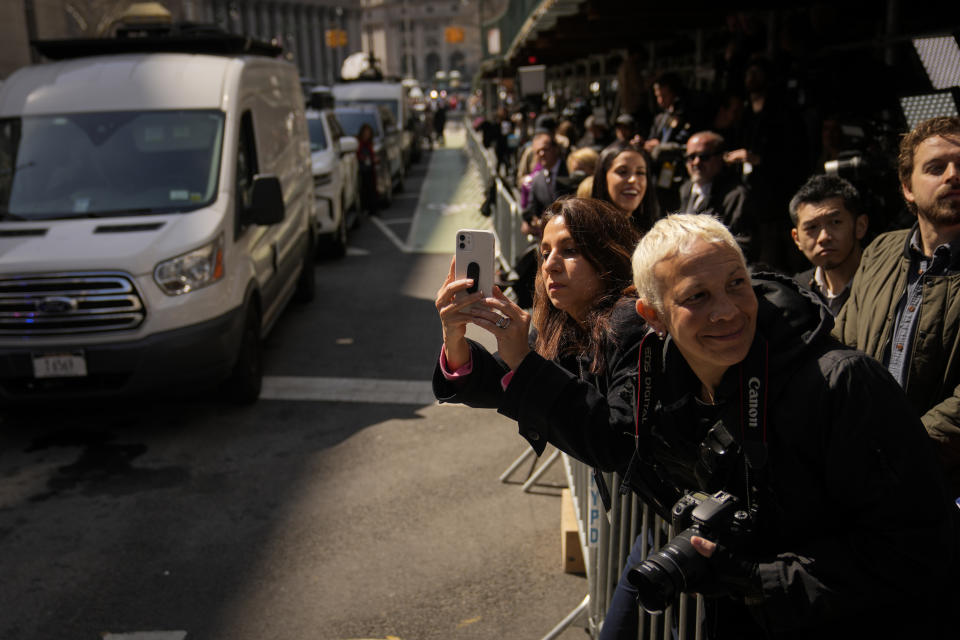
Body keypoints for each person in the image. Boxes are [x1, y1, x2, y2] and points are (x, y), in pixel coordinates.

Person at [600, 213, 955, 639]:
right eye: (697, 296)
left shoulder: (843, 385)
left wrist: (755, 580)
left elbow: (917, 548)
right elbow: (612, 444)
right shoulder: (669, 393)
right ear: (653, 316)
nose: (727, 312)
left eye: (736, 283)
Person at [433, 197, 643, 499]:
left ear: (608, 255)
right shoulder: (565, 325)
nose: (550, 264)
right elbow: (494, 382)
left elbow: (614, 441)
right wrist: (453, 335)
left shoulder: (630, 318)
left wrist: (522, 359)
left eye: (569, 251)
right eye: (544, 253)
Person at [834, 116, 960, 496]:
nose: (953, 175)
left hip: (942, 488)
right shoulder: (881, 250)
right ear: (907, 188)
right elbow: (843, 346)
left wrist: (900, 451)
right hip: (864, 477)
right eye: (936, 168)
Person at [789, 174, 868, 315]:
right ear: (797, 239)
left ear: (860, 226)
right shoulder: (796, 294)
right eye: (812, 227)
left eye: (835, 222)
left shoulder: (884, 282)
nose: (824, 237)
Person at [677, 131, 752, 256]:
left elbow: (744, 244)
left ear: (721, 158)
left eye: (704, 156)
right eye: (691, 157)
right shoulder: (684, 190)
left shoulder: (736, 196)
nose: (696, 162)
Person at [591, 140, 661, 233]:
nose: (633, 180)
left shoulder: (655, 236)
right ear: (603, 177)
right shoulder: (585, 233)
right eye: (622, 172)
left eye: (640, 172)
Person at [521, 132, 571, 221]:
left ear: (555, 148)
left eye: (545, 149)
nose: (541, 154)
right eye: (537, 152)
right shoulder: (536, 180)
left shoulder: (570, 169)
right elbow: (532, 210)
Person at [355, 123, 379, 217]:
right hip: (363, 170)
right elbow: (358, 155)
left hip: (370, 169)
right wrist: (364, 158)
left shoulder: (369, 144)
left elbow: (372, 155)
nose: (367, 135)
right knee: (365, 189)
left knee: (372, 188)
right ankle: (366, 208)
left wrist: (373, 159)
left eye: (368, 133)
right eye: (365, 133)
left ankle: (373, 209)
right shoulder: (360, 144)